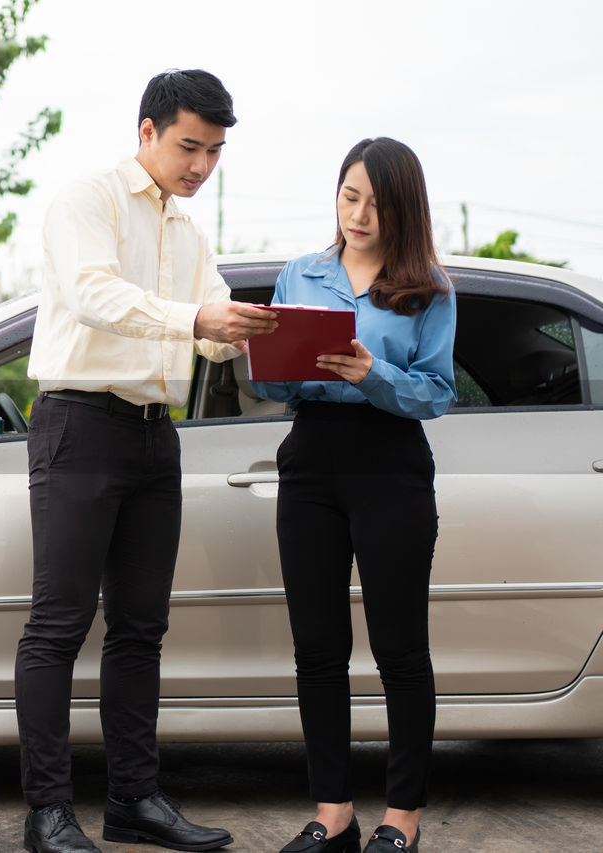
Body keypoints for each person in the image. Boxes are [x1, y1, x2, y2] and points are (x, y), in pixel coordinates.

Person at [15, 69, 278, 853]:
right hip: (78, 425)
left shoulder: (191, 234)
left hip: (154, 434)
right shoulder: (86, 201)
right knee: (58, 625)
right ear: (147, 133)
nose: (201, 166)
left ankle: (134, 799)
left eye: (215, 152)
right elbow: (95, 295)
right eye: (189, 146)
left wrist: (251, 331)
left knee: (140, 629)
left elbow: (206, 326)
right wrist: (195, 315)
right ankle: (48, 813)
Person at [250, 138, 457, 853]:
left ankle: (403, 817)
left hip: (391, 462)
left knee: (400, 649)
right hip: (310, 460)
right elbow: (273, 386)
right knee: (318, 649)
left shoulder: (428, 286)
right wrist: (270, 358)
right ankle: (332, 812)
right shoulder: (299, 273)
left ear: (405, 209)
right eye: (350, 196)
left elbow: (437, 392)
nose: (361, 214)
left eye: (377, 201)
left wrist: (372, 373)